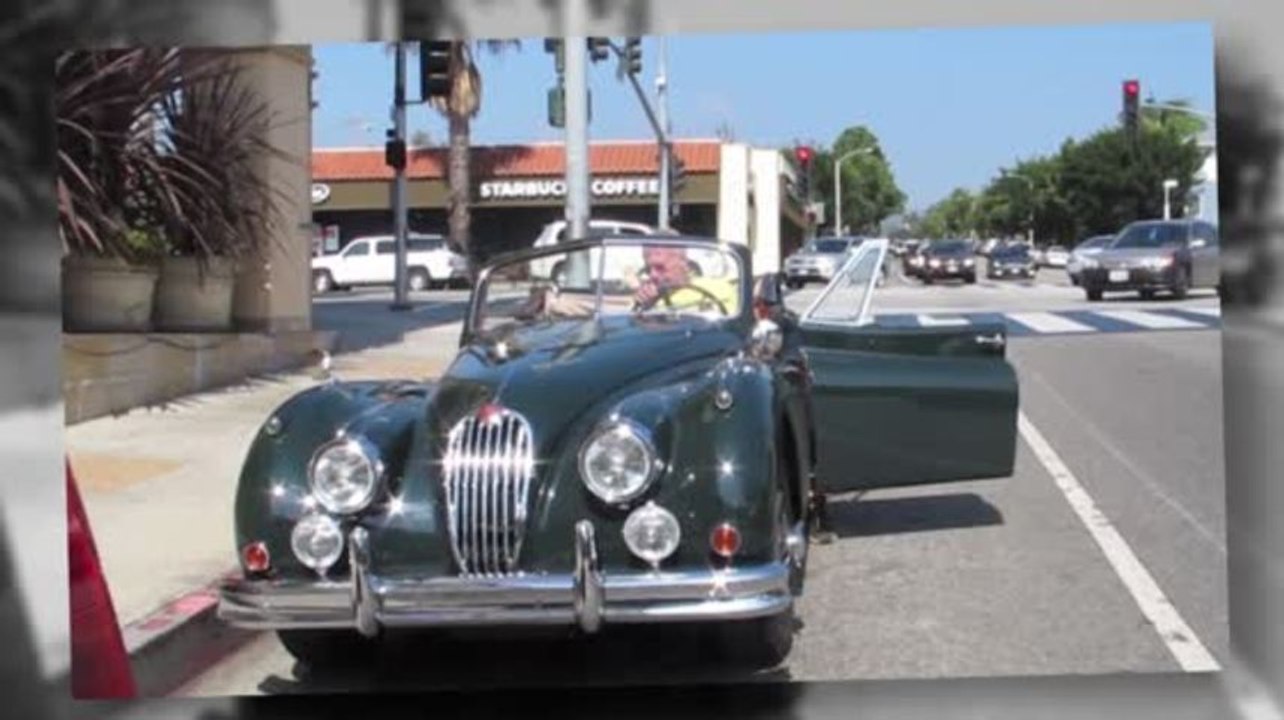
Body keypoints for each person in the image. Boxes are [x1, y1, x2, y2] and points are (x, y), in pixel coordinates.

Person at [632, 244, 738, 315]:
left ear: (683, 264)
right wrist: (646, 306)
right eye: (648, 269)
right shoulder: (647, 297)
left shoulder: (717, 289)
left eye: (660, 268)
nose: (652, 275)